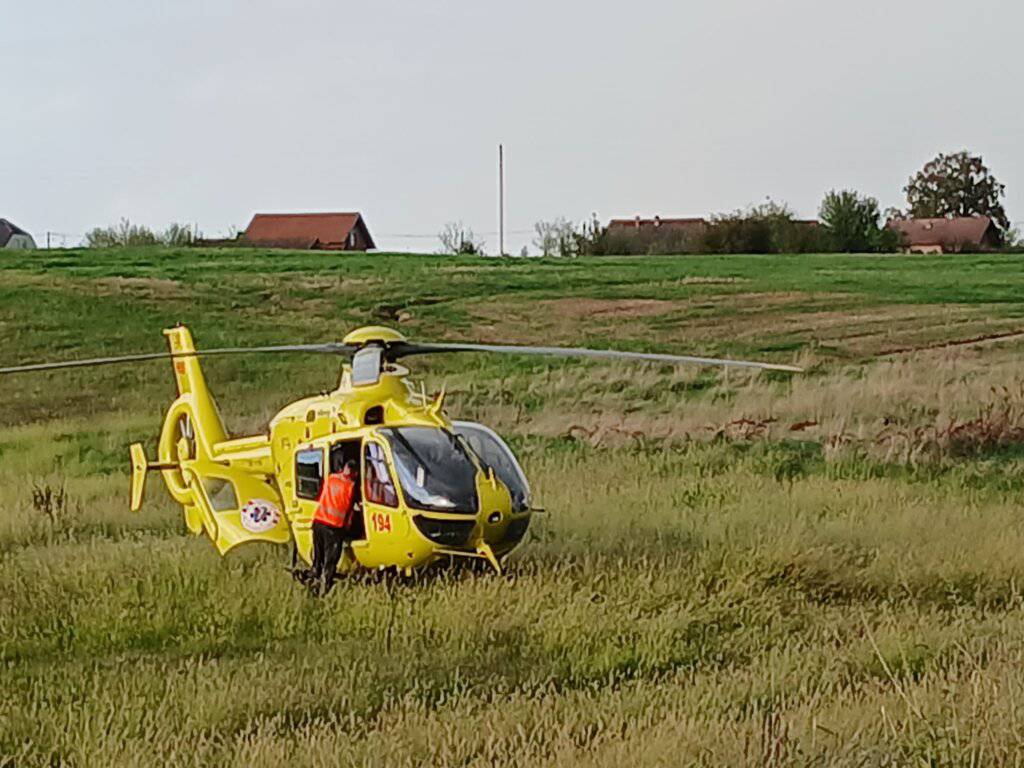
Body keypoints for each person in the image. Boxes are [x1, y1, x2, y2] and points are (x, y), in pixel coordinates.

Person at [309, 456, 358, 595]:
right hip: (334, 527)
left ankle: (313, 579)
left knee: (318, 557)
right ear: (354, 473)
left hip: (318, 521)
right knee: (330, 560)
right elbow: (350, 510)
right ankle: (324, 589)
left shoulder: (331, 478)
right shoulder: (351, 486)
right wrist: (347, 527)